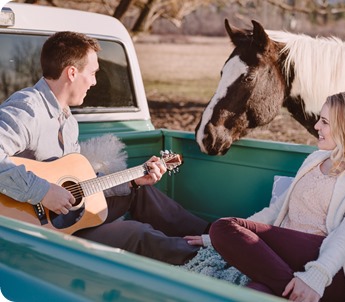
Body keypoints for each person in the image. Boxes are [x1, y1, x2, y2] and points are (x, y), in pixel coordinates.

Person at [0, 31, 209, 265]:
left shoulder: (68, 122)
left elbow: (80, 186)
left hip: (69, 219)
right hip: (36, 236)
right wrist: (43, 192)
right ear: (71, 73)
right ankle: (208, 261)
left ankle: (213, 237)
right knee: (135, 233)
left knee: (139, 191)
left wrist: (133, 179)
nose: (94, 81)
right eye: (92, 73)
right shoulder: (27, 110)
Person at [186, 91, 345, 301]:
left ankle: (305, 290)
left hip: (333, 271)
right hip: (284, 259)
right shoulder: (316, 159)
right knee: (254, 292)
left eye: (325, 122)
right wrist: (222, 241)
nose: (317, 126)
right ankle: (297, 294)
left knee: (223, 227)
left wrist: (315, 277)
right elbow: (276, 211)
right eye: (319, 119)